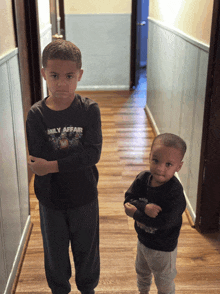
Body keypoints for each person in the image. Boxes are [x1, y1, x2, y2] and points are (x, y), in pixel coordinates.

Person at [26, 40, 102, 294]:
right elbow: (39, 164)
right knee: (55, 255)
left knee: (87, 251)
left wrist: (53, 165)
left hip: (84, 196)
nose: (62, 83)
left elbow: (92, 154)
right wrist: (56, 165)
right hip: (51, 200)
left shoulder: (90, 110)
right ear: (43, 74)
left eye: (69, 76)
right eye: (54, 75)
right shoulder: (36, 115)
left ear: (79, 75)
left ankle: (87, 288)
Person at [124, 133, 187, 294]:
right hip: (143, 241)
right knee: (142, 272)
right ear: (150, 156)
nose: (160, 168)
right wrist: (144, 207)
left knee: (164, 281)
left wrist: (136, 214)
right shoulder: (142, 178)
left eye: (168, 164)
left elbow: (165, 222)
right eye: (156, 161)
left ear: (178, 167)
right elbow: (129, 199)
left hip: (164, 249)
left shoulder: (175, 193)